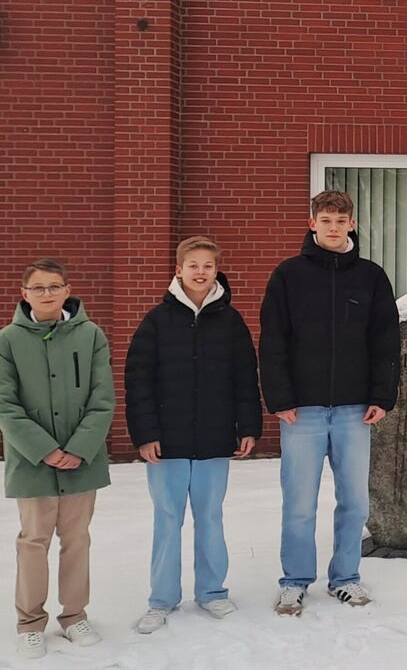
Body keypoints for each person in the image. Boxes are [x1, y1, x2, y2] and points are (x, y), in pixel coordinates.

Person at [260, 190, 401, 615]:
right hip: (300, 410)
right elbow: (272, 341)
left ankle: (346, 578)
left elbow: (385, 342)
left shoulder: (371, 277)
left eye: (341, 220)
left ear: (352, 225)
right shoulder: (288, 275)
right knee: (300, 503)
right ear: (312, 223)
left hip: (355, 410)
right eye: (326, 219)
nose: (334, 227)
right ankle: (295, 581)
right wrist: (280, 397)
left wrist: (382, 396)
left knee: (355, 500)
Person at [124, 237, 263, 633]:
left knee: (210, 517)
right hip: (166, 442)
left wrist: (248, 426)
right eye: (193, 265)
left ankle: (212, 592)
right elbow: (138, 381)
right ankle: (162, 599)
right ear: (178, 270)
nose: (200, 272)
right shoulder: (156, 321)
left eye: (207, 265)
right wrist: (145, 433)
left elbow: (244, 378)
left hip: (215, 439)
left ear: (216, 271)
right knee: (168, 519)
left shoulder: (231, 321)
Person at [0, 259, 114, 659]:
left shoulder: (92, 335)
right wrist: (44, 449)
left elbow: (102, 400)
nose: (46, 294)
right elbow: (5, 404)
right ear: (24, 293)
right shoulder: (8, 340)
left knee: (77, 540)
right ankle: (30, 622)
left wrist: (78, 448)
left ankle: (74, 615)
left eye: (54, 286)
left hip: (81, 461)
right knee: (33, 541)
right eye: (38, 288)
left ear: (67, 290)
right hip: (32, 463)